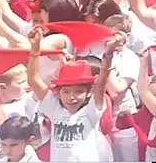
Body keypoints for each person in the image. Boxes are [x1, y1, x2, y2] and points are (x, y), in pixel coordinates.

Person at [27, 28, 114, 162]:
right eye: (66, 92)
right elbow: (33, 80)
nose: (71, 97)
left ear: (89, 92)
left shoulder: (91, 111)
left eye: (78, 91)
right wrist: (35, 49)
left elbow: (101, 83)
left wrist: (108, 55)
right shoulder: (54, 106)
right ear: (59, 92)